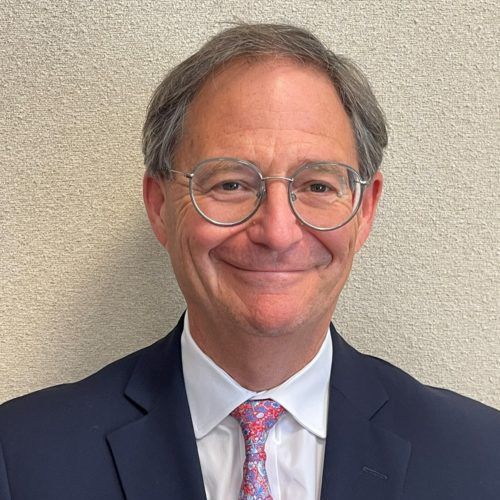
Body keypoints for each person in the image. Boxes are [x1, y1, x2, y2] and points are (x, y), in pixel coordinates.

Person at [0, 23, 498, 500]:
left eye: (318, 185)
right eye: (231, 184)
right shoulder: (21, 457)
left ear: (364, 210)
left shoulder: (481, 458)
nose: (277, 232)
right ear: (159, 206)